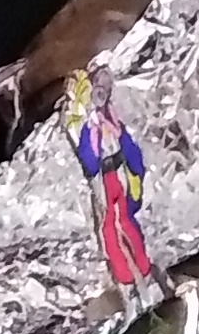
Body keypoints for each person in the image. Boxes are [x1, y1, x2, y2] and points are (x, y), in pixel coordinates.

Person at [62, 66, 156, 298]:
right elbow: (87, 157)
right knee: (109, 228)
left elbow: (129, 149)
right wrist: (92, 131)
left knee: (125, 221)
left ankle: (143, 270)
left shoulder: (110, 117)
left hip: (119, 172)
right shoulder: (84, 124)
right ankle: (125, 278)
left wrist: (116, 131)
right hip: (104, 177)